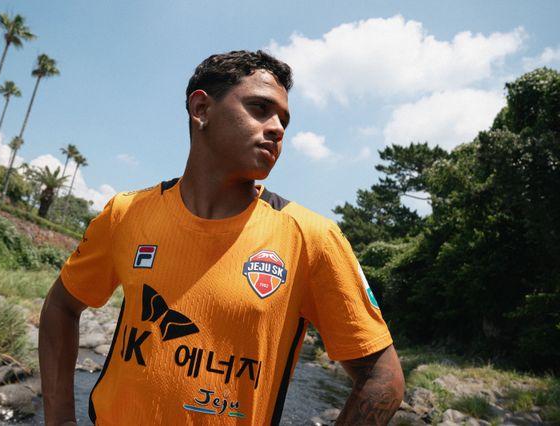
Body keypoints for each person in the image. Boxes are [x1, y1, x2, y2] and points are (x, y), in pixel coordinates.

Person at [39, 50, 404, 426]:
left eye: (284, 120)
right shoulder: (126, 214)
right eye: (260, 108)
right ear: (201, 109)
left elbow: (384, 378)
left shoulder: (311, 238)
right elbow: (61, 306)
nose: (277, 128)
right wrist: (60, 419)